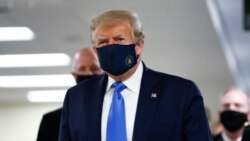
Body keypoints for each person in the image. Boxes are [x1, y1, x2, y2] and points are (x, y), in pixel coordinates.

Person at [59, 9, 212, 141]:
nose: (111, 47)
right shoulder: (76, 98)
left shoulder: (181, 94)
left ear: (139, 46)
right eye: (103, 42)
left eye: (119, 39)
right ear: (95, 51)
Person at [37, 47, 103, 141]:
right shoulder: (51, 122)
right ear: (74, 75)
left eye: (94, 68)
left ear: (104, 73)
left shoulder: (114, 114)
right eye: (82, 69)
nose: (88, 73)